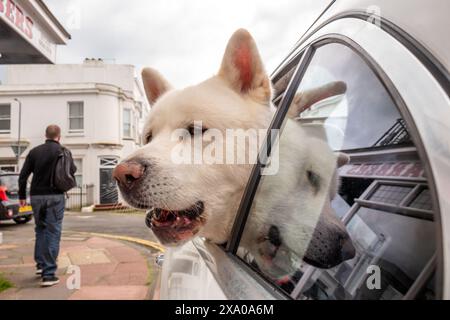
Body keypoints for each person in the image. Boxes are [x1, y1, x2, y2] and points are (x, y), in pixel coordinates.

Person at [19, 125, 76, 287]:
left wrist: (22, 196)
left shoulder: (34, 152)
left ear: (46, 135)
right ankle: (49, 274)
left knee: (40, 229)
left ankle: (40, 265)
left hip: (36, 196)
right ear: (59, 136)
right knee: (53, 231)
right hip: (55, 196)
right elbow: (72, 170)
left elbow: (23, 176)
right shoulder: (63, 151)